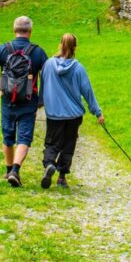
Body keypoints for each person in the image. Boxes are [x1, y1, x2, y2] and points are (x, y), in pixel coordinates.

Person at [0, 16, 48, 187]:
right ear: (30, 31)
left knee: (8, 136)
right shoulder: (38, 52)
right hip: (28, 100)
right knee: (24, 138)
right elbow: (48, 76)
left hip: (7, 101)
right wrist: (42, 99)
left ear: (14, 30)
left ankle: (8, 170)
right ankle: (16, 171)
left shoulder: (4, 49)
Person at [39, 33, 103, 189]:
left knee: (52, 143)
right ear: (75, 48)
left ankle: (49, 164)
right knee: (68, 145)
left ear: (60, 45)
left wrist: (40, 102)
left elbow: (44, 84)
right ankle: (61, 177)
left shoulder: (48, 64)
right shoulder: (78, 68)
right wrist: (98, 112)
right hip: (73, 115)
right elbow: (87, 91)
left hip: (54, 114)